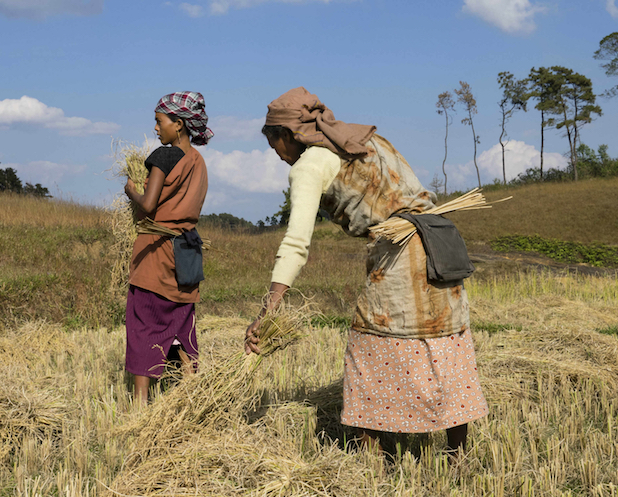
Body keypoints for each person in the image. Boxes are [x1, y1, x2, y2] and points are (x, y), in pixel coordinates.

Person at [245, 87, 487, 458]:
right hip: (441, 241)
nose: (278, 156)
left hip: (402, 254)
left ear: (288, 135)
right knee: (444, 345)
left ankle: (371, 459)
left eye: (275, 145)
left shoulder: (309, 165)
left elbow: (296, 241)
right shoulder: (367, 140)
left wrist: (269, 306)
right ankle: (458, 454)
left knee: (370, 348)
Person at [124, 91, 212, 404]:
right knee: (180, 321)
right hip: (187, 252)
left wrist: (132, 191)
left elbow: (148, 206)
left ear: (179, 124)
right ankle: (191, 392)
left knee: (144, 323)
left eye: (160, 122)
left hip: (157, 250)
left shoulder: (163, 158)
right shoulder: (198, 162)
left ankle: (140, 401)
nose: (156, 129)